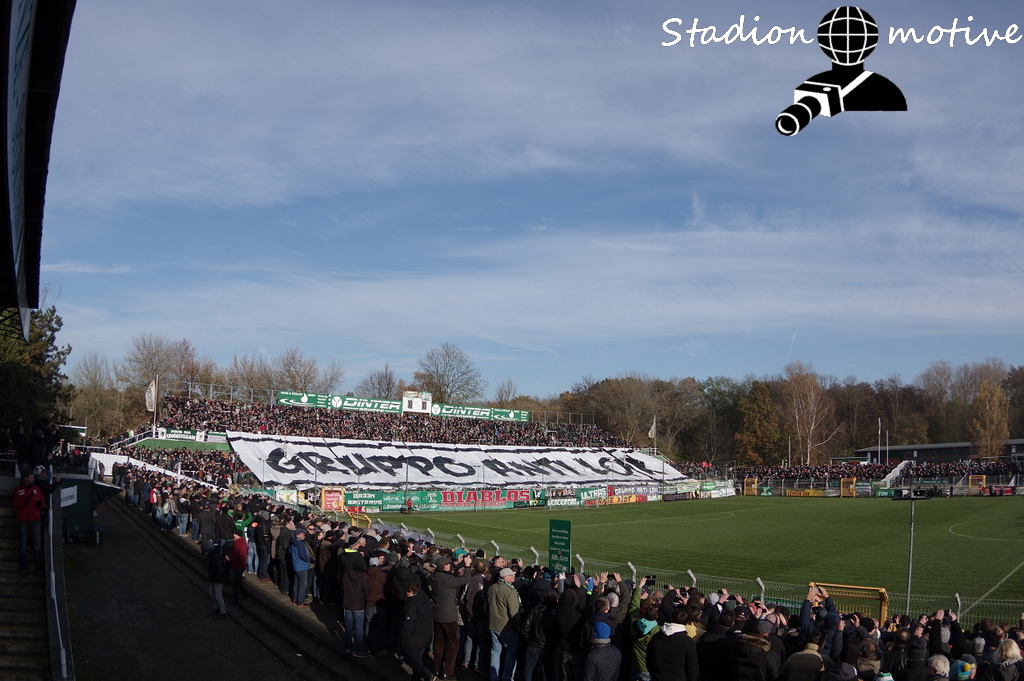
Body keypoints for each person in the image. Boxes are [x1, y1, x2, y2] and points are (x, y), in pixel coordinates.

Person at [487, 566, 522, 681]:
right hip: (507, 627)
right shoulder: (510, 591)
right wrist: (517, 627)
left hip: (493, 624)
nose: (514, 576)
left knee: (495, 651)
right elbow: (514, 613)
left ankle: (494, 677)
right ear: (506, 577)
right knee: (510, 653)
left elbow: (486, 606)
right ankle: (507, 677)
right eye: (511, 575)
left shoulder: (492, 588)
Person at [12, 470, 45, 575]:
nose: (33, 479)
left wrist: (41, 505)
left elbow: (43, 502)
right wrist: (24, 502)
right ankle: (24, 568)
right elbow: (15, 504)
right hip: (23, 521)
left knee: (37, 546)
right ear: (25, 478)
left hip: (35, 521)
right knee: (23, 546)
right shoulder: (18, 490)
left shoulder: (37, 489)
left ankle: (39, 568)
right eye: (31, 477)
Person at [402, 581, 435, 681]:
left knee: (411, 659)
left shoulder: (412, 604)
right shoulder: (426, 599)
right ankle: (416, 678)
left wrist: (405, 638)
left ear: (411, 591)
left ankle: (428, 676)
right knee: (418, 659)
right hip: (426, 635)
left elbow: (409, 624)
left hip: (416, 637)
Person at [204, 540, 230, 618]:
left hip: (217, 578)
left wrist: (216, 576)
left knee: (218, 595)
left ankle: (222, 612)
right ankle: (216, 608)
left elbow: (219, 568)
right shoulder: (213, 554)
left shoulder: (215, 555)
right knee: (212, 592)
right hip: (214, 577)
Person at [290, 528, 314, 607]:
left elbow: (290, 551)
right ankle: (300, 602)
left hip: (296, 565)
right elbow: (302, 555)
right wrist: (308, 559)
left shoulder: (293, 542)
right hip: (302, 566)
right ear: (298, 535)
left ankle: (295, 599)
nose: (304, 535)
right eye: (302, 534)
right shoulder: (300, 544)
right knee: (302, 585)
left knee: (296, 583)